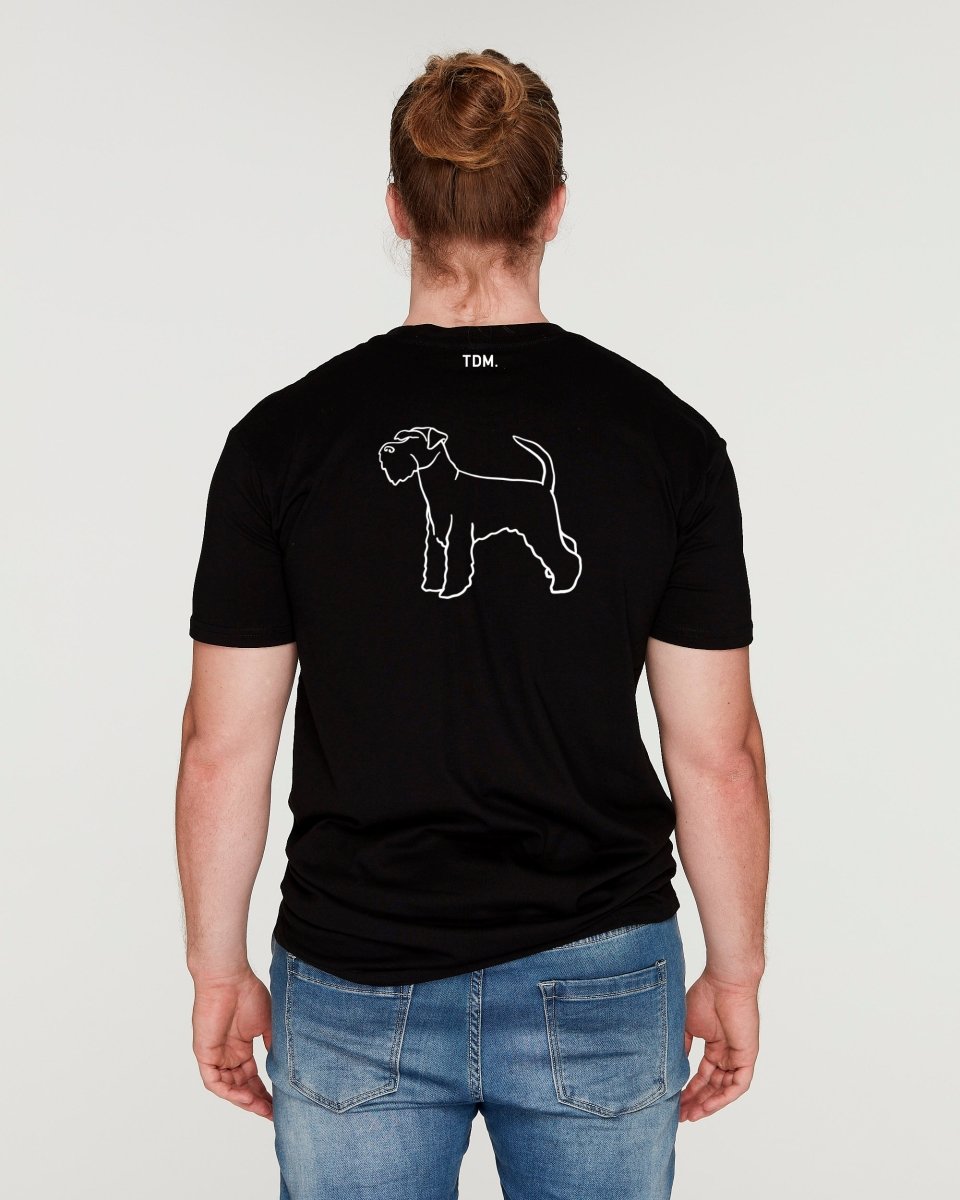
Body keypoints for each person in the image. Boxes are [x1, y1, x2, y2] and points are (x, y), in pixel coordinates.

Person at [175, 47, 769, 1200]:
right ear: (553, 209)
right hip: (604, 967)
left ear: (399, 211)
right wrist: (735, 970)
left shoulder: (281, 443)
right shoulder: (668, 441)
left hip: (354, 972)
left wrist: (215, 967)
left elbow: (220, 746)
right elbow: (720, 753)